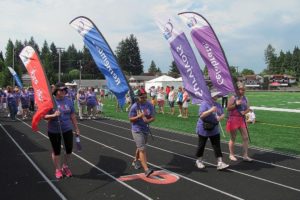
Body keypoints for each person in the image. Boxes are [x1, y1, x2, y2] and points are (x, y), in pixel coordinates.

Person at [44, 82, 80, 179]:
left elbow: (72, 115)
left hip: (67, 129)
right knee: (57, 151)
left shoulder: (68, 101)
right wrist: (53, 115)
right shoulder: (50, 101)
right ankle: (58, 169)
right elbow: (45, 117)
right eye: (62, 90)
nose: (64, 91)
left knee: (69, 150)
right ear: (56, 91)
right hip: (54, 130)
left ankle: (65, 166)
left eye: (65, 90)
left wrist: (76, 128)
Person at [195, 91, 229, 170]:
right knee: (201, 145)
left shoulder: (217, 105)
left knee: (216, 145)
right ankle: (199, 161)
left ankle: (220, 162)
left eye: (217, 95)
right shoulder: (204, 103)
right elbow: (201, 116)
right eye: (215, 95)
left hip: (214, 128)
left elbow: (222, 114)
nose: (216, 97)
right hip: (203, 128)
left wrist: (220, 118)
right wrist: (210, 110)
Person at [129, 89, 155, 177]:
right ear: (138, 97)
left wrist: (148, 120)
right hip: (136, 129)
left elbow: (153, 117)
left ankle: (135, 161)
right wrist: (138, 116)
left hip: (145, 129)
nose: (144, 98)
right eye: (142, 97)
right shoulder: (134, 106)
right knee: (142, 149)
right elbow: (130, 119)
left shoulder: (149, 105)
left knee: (140, 147)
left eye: (145, 96)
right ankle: (146, 169)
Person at [226, 83, 253, 162]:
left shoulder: (246, 99)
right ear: (237, 90)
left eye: (244, 90)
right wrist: (236, 104)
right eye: (241, 89)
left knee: (245, 137)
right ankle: (231, 154)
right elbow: (228, 108)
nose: (243, 91)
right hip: (233, 119)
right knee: (233, 138)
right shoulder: (233, 97)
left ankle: (245, 155)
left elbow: (248, 108)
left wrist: (244, 112)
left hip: (241, 119)